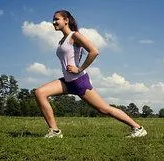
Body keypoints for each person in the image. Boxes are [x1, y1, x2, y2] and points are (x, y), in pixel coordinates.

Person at [34, 10, 147, 138]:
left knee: (104, 109)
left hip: (79, 81)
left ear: (66, 20)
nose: (54, 22)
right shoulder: (61, 41)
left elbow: (94, 51)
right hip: (67, 81)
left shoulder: (75, 36)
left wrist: (79, 69)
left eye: (57, 19)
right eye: (53, 19)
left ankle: (138, 128)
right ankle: (54, 131)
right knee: (40, 92)